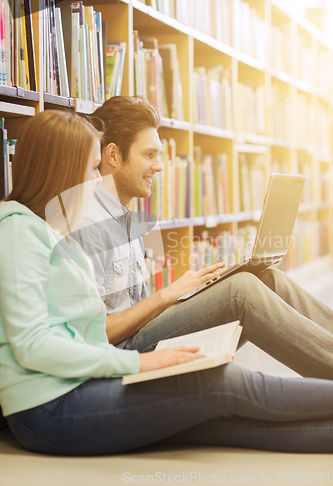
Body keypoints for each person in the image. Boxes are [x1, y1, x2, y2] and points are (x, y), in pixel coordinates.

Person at [3, 109, 333, 456]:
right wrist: (141, 361)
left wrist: (178, 298)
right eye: (90, 169)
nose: (97, 178)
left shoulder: (55, 229)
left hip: (80, 381)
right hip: (54, 402)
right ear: (62, 172)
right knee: (221, 384)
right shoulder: (21, 231)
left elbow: (79, 329)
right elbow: (39, 343)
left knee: (226, 419)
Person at [73, 95, 333, 382]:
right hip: (126, 355)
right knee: (241, 290)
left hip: (145, 332)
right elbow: (96, 333)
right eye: (148, 155)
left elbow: (137, 307)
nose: (159, 166)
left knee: (267, 279)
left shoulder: (128, 215)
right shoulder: (87, 223)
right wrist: (166, 296)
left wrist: (188, 297)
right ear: (112, 155)